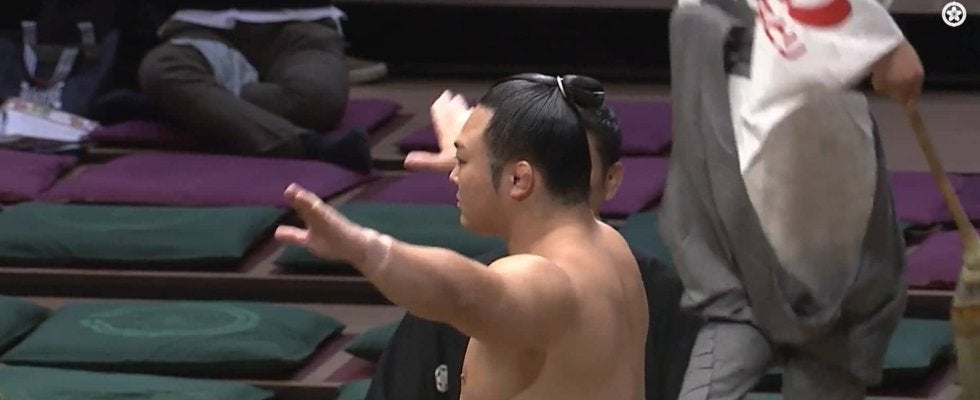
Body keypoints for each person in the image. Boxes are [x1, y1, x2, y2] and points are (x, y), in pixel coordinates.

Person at [276, 73, 649, 399]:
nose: (454, 175)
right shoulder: (608, 245)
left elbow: (463, 295)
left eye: (463, 161)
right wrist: (484, 152)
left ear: (519, 179)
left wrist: (365, 249)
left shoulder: (546, 280)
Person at [661, 0, 924, 399]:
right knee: (829, 321)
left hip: (740, 103)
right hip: (781, 105)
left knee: (745, 311)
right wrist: (882, 42)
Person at [138, 0, 371, 172]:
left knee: (317, 99)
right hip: (201, 27)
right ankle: (305, 146)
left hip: (301, 25)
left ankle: (195, 107)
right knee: (162, 69)